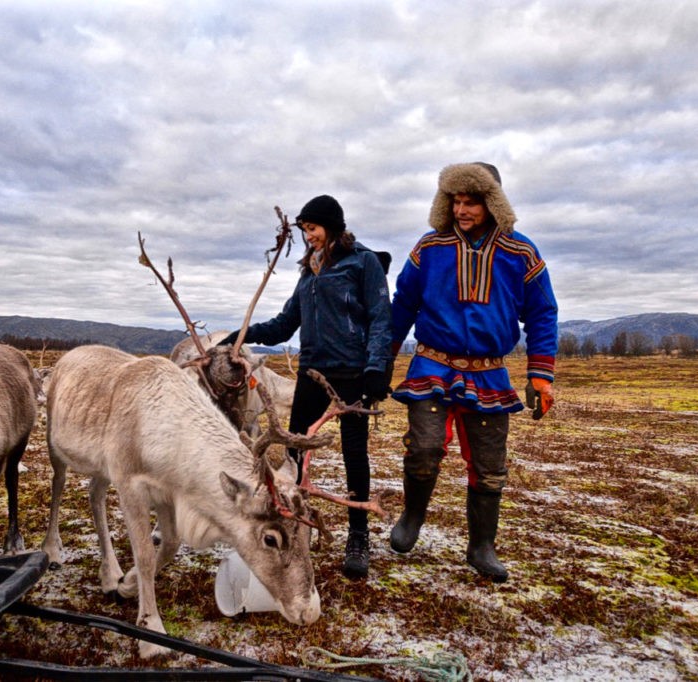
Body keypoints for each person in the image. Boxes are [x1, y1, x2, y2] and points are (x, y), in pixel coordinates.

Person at [388, 162, 558, 583]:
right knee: (424, 448)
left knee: (489, 465)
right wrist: (381, 358)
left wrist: (541, 373)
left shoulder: (521, 252)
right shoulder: (430, 247)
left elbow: (542, 313)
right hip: (432, 362)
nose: (462, 210)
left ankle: (482, 546)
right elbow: (403, 304)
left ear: (492, 203)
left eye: (471, 202)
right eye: (456, 201)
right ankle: (412, 516)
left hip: (488, 372)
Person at [221, 194, 392, 579]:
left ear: (331, 225)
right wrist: (241, 334)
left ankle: (358, 535)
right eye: (303, 231)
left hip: (351, 375)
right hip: (313, 374)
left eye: (312, 228)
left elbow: (382, 318)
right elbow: (284, 325)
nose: (308, 237)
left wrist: (375, 369)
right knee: (292, 453)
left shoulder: (363, 263)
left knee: (354, 454)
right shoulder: (308, 272)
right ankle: (288, 524)